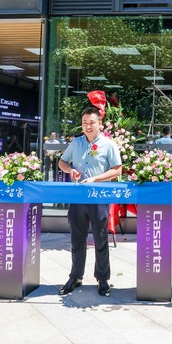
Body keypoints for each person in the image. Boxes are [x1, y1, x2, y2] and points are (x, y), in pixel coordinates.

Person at [58, 106, 122, 296]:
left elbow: (117, 170)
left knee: (100, 238)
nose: (87, 126)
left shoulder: (109, 145)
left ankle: (102, 278)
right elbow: (62, 162)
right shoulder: (76, 143)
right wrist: (70, 170)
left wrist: (96, 179)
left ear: (100, 124)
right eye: (84, 122)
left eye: (91, 122)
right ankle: (75, 276)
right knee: (77, 238)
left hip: (99, 197)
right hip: (78, 197)